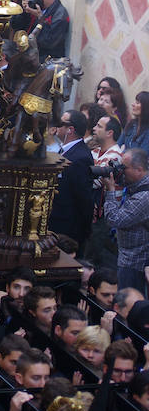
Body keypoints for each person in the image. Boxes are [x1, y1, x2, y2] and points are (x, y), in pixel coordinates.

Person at [102, 147, 149, 292]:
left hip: (135, 262)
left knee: (129, 305)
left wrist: (110, 190)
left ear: (139, 170)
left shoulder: (144, 196)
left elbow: (114, 219)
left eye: (124, 168)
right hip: (128, 257)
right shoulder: (135, 185)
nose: (121, 171)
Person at [48, 109, 94, 252]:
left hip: (68, 226)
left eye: (61, 123)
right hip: (56, 220)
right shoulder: (65, 150)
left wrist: (84, 230)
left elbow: (83, 197)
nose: (57, 126)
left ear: (70, 130)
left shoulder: (80, 157)